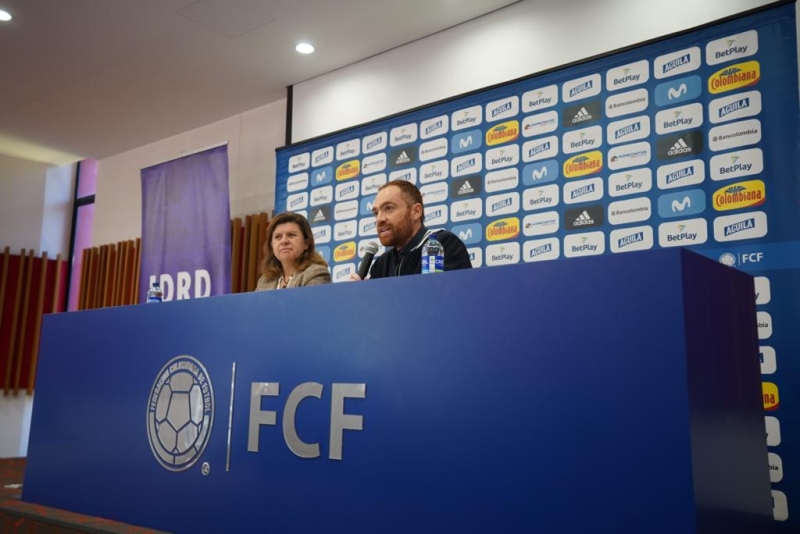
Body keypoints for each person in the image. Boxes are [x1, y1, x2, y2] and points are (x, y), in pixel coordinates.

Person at [351, 180, 472, 280]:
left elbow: (452, 300)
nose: (379, 219)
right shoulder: (381, 264)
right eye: (376, 213)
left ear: (416, 212)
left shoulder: (443, 245)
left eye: (388, 208)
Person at [256, 212, 331, 290]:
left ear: (306, 243)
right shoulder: (264, 281)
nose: (284, 241)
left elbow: (309, 302)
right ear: (272, 245)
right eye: (278, 236)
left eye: (291, 235)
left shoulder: (315, 273)